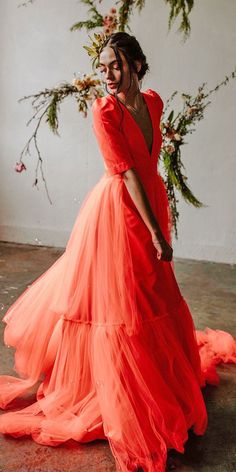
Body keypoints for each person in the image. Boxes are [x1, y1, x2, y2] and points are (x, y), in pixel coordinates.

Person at [0, 32, 236, 472]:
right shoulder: (103, 110)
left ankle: (155, 381)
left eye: (116, 65)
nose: (107, 74)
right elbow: (126, 173)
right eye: (103, 65)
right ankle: (112, 387)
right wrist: (156, 234)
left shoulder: (154, 102)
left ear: (138, 65)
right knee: (121, 303)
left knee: (153, 295)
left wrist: (157, 222)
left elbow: (148, 163)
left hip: (148, 202)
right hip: (120, 212)